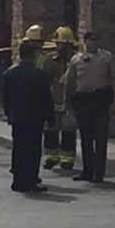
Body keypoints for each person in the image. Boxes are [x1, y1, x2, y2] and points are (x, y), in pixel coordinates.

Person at [66, 31, 115, 183]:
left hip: (100, 101)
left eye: (97, 40)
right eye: (91, 40)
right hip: (83, 101)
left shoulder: (106, 57)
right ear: (85, 41)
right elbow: (69, 81)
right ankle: (87, 170)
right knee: (85, 138)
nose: (94, 43)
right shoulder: (76, 59)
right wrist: (68, 103)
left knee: (101, 138)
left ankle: (99, 172)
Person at [3, 41, 55, 193]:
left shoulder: (9, 73)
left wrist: (9, 114)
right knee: (32, 150)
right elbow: (46, 98)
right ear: (32, 54)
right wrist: (50, 118)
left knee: (18, 148)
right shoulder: (39, 75)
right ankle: (30, 180)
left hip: (17, 117)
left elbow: (5, 97)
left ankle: (17, 180)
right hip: (34, 118)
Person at [40, 26, 78, 171]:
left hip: (70, 102)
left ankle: (67, 159)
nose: (58, 46)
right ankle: (51, 157)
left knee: (69, 131)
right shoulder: (49, 60)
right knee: (51, 130)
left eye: (60, 43)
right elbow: (43, 78)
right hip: (53, 101)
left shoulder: (76, 60)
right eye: (57, 44)